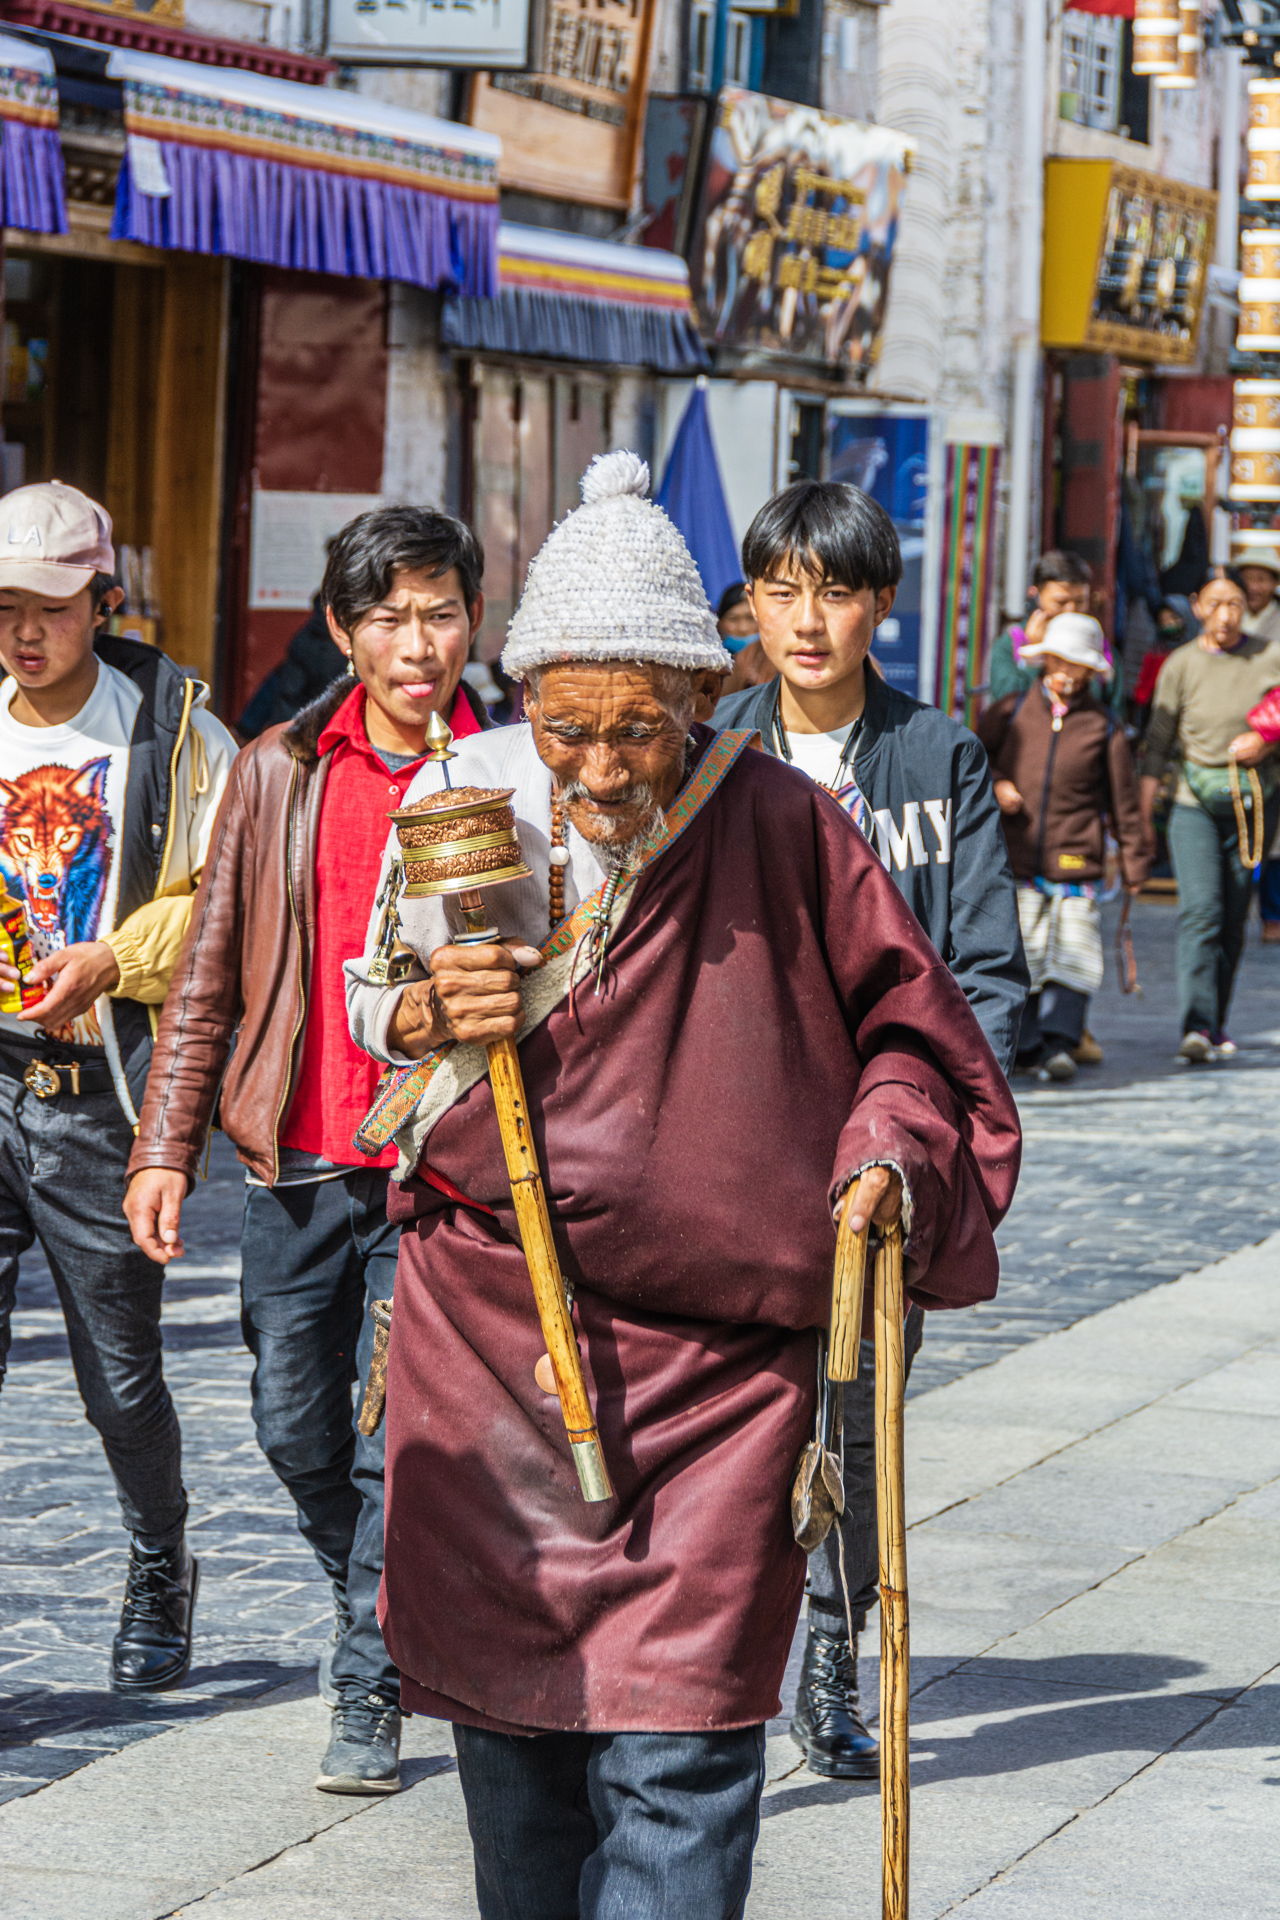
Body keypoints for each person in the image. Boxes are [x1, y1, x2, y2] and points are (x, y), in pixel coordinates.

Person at [344, 452, 1021, 1917]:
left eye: (636, 730)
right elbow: (369, 1001)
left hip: (720, 1378)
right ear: (527, 698)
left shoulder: (780, 822)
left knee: (684, 1745)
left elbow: (917, 1039)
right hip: (490, 1342)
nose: (598, 771)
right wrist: (424, 1007)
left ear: (703, 699)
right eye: (567, 729)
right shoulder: (464, 799)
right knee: (513, 1742)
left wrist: (887, 1148)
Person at [124, 506, 490, 1792]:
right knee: (291, 1425)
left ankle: (369, 1676)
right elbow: (207, 974)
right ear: (341, 629)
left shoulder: (502, 768)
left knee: (396, 1442)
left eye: (441, 614)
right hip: (296, 1156)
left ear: (473, 621)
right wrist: (164, 1147)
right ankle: (381, 1595)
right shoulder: (279, 770)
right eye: (388, 618)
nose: (417, 645)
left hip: (438, 1169)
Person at [713, 480, 1026, 1779]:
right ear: (749, 603)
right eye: (781, 591)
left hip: (879, 1154)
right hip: (735, 1149)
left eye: (834, 593)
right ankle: (715, 1653)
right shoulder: (713, 749)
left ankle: (830, 1651)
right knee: (727, 1420)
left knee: (853, 1420)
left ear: (879, 606)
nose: (806, 620)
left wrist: (928, 1142)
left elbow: (984, 974)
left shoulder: (934, 756)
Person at [0, 481, 236, 1691]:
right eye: (4, 608)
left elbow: (226, 897)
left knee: (118, 1378)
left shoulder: (175, 733)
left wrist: (111, 959)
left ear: (104, 600)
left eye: (48, 607)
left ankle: (158, 1557)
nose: (24, 632)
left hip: (97, 1093)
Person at [979, 613, 1149, 1082]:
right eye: (1060, 661)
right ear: (1045, 660)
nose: (1067, 672)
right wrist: (998, 782)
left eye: (1077, 665)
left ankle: (1060, 1043)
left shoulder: (1104, 726)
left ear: (1091, 671)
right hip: (1016, 856)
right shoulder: (1010, 710)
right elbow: (973, 760)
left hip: (1077, 859)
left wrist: (1134, 862)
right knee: (1025, 951)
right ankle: (1026, 1046)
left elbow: (1123, 802)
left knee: (1074, 953)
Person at [1141, 568, 1280, 1059]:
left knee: (1235, 916)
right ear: (1197, 606)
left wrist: (1265, 743)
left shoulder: (1269, 656)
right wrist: (1142, 815)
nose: (1226, 615)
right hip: (1191, 801)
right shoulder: (1180, 664)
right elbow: (1158, 741)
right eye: (1216, 604)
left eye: (1235, 604)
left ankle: (1215, 1021)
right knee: (1202, 910)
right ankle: (1196, 1026)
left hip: (1253, 804)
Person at [988, 550, 1124, 715]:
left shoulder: (1102, 652)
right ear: (1036, 595)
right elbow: (1005, 705)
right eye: (1060, 602)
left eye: (1080, 601)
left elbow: (1114, 714)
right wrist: (1034, 655)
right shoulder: (1009, 646)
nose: (1070, 610)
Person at [238, 589, 347, 737]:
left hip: (307, 723)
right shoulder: (348, 641)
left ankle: (246, 728)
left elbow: (289, 693)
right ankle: (246, 728)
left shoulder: (307, 636)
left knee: (279, 678)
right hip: (330, 724)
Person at [716, 580, 775, 698]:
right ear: (720, 624)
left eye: (750, 618)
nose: (743, 628)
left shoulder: (776, 663)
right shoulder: (706, 666)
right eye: (733, 619)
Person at [1235, 544, 1280, 644]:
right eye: (1247, 578)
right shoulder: (1229, 617)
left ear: (1274, 583)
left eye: (1261, 579)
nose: (1253, 587)